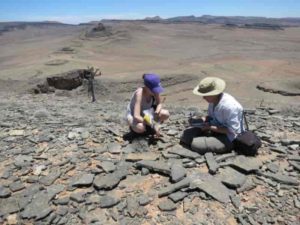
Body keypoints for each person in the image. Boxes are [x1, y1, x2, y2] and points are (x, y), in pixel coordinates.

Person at [180, 77, 244, 154]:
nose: (203, 98)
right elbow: (211, 117)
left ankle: (224, 145)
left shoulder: (229, 107)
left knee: (195, 145)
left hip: (229, 138)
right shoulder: (213, 101)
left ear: (214, 94)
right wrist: (200, 120)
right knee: (186, 135)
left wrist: (209, 127)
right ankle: (208, 139)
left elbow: (232, 130)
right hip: (214, 129)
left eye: (205, 95)